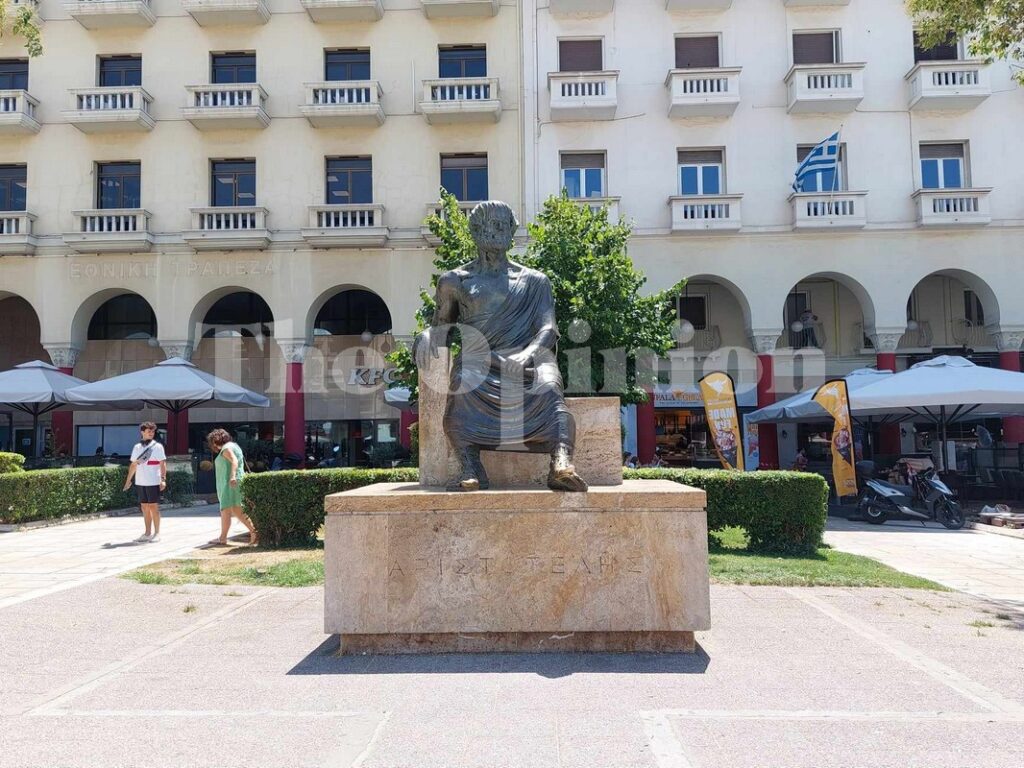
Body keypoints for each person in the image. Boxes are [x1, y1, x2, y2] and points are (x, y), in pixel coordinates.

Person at [207, 428, 258, 546]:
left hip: (230, 483)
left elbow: (234, 461)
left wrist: (232, 476)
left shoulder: (226, 449)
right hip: (234, 482)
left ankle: (253, 532)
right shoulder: (234, 446)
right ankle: (224, 537)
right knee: (232, 510)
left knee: (230, 509)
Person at [122, 422, 166, 543]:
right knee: (144, 507)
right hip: (141, 481)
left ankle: (157, 533)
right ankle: (147, 533)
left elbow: (162, 464)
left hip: (153, 481)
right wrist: (128, 481)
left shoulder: (157, 447)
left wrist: (163, 479)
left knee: (153, 506)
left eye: (152, 431)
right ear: (142, 432)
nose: (151, 433)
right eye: (148, 431)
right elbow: (134, 465)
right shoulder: (137, 447)